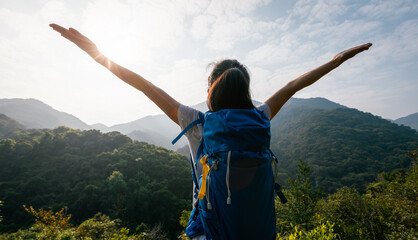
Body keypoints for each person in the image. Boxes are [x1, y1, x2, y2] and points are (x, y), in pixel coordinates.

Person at [50, 24, 372, 239]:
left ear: (210, 92)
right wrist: (336, 60)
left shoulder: (197, 124)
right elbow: (293, 85)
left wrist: (96, 53)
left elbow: (144, 85)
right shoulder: (260, 118)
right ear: (245, 90)